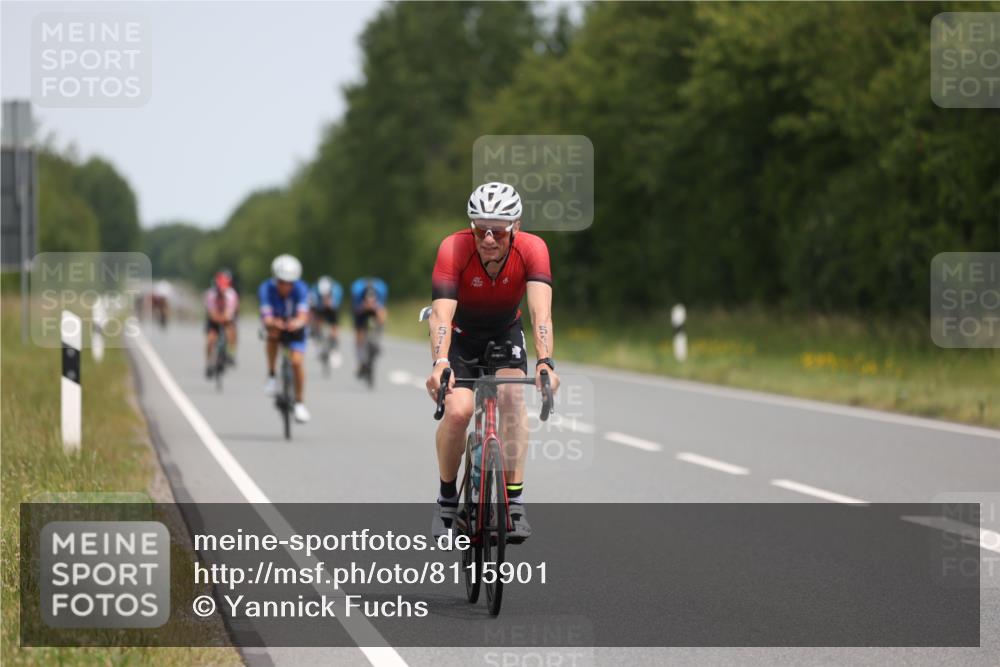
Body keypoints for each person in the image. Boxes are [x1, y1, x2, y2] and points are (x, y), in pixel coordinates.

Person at [425, 182, 560, 543]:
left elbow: (540, 313)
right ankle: (446, 501)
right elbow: (441, 315)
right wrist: (440, 362)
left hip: (504, 332)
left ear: (515, 226)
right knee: (458, 411)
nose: (488, 238)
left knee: (513, 399)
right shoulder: (453, 247)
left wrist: (546, 361)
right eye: (480, 227)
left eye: (497, 230)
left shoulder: (533, 249)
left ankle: (514, 502)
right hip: (460, 335)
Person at [258, 254, 311, 423]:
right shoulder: (266, 288)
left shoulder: (302, 289)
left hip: (294, 326)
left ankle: (300, 403)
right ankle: (272, 375)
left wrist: (297, 323)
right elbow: (266, 316)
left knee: (296, 362)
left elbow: (303, 315)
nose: (285, 286)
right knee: (272, 334)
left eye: (290, 283)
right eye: (281, 282)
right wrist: (274, 323)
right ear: (275, 279)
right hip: (276, 323)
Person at [349, 276, 388, 379]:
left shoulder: (380, 291)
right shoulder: (358, 293)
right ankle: (360, 361)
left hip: (376, 308)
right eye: (368, 301)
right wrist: (363, 307)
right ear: (364, 298)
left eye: (372, 301)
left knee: (381, 315)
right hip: (360, 310)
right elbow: (355, 311)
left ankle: (377, 341)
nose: (370, 303)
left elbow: (382, 309)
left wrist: (380, 319)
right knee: (360, 335)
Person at [204, 269, 239, 377]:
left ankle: (230, 353)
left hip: (226, 318)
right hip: (214, 319)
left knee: (231, 332)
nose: (221, 292)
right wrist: (218, 317)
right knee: (210, 340)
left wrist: (224, 317)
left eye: (223, 290)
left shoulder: (231, 295)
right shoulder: (210, 295)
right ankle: (209, 363)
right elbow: (211, 313)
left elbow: (230, 313)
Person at [309, 276, 344, 368]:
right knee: (315, 321)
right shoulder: (314, 290)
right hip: (318, 307)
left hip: (332, 308)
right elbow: (312, 306)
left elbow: (336, 306)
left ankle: (334, 346)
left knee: (334, 326)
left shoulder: (336, 290)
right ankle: (317, 340)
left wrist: (330, 304)